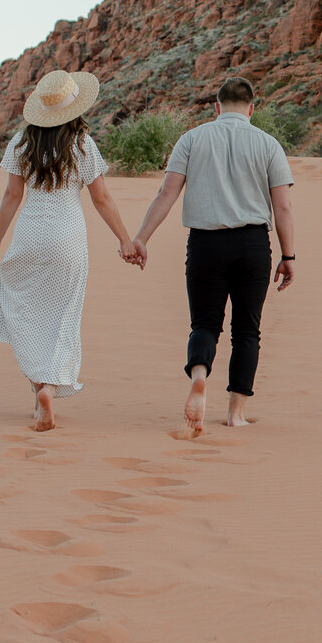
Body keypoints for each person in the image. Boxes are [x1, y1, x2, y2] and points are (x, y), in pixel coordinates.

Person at [128, 76, 296, 435]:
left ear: (216, 107)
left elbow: (166, 194)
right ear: (252, 109)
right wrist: (289, 255)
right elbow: (283, 207)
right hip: (253, 246)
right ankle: (236, 413)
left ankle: (200, 375)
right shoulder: (268, 144)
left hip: (205, 244)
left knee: (204, 324)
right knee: (247, 331)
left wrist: (141, 237)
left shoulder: (192, 139)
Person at [0, 69, 138, 432]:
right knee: (63, 315)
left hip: (29, 237)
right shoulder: (83, 144)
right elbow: (102, 198)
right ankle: (48, 386)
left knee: (27, 313)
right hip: (67, 239)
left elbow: (11, 195)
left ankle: (39, 392)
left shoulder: (21, 143)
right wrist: (124, 240)